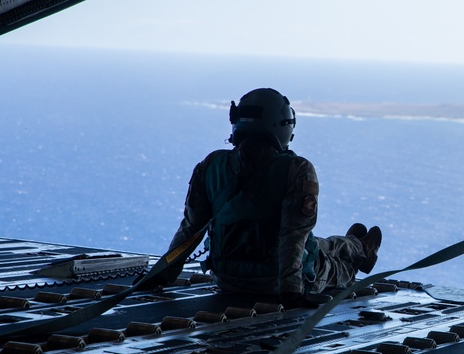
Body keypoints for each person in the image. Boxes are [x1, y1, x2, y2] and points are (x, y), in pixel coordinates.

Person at [141, 87, 381, 303]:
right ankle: (359, 254)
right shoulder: (297, 170)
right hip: (274, 284)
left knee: (320, 245)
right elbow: (293, 236)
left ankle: (359, 246)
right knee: (339, 269)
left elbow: (189, 230)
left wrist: (159, 276)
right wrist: (291, 292)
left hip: (227, 279)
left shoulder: (210, 165)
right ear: (283, 126)